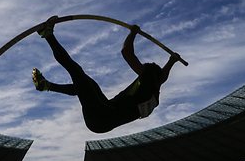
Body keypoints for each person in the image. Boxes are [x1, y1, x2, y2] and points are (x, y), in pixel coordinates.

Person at [32, 16, 182, 133]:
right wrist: (172, 61)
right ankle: (47, 86)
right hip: (103, 116)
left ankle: (47, 34)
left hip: (102, 114)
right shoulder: (155, 90)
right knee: (86, 85)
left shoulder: (148, 77)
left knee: (77, 73)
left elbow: (126, 53)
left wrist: (133, 33)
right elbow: (164, 76)